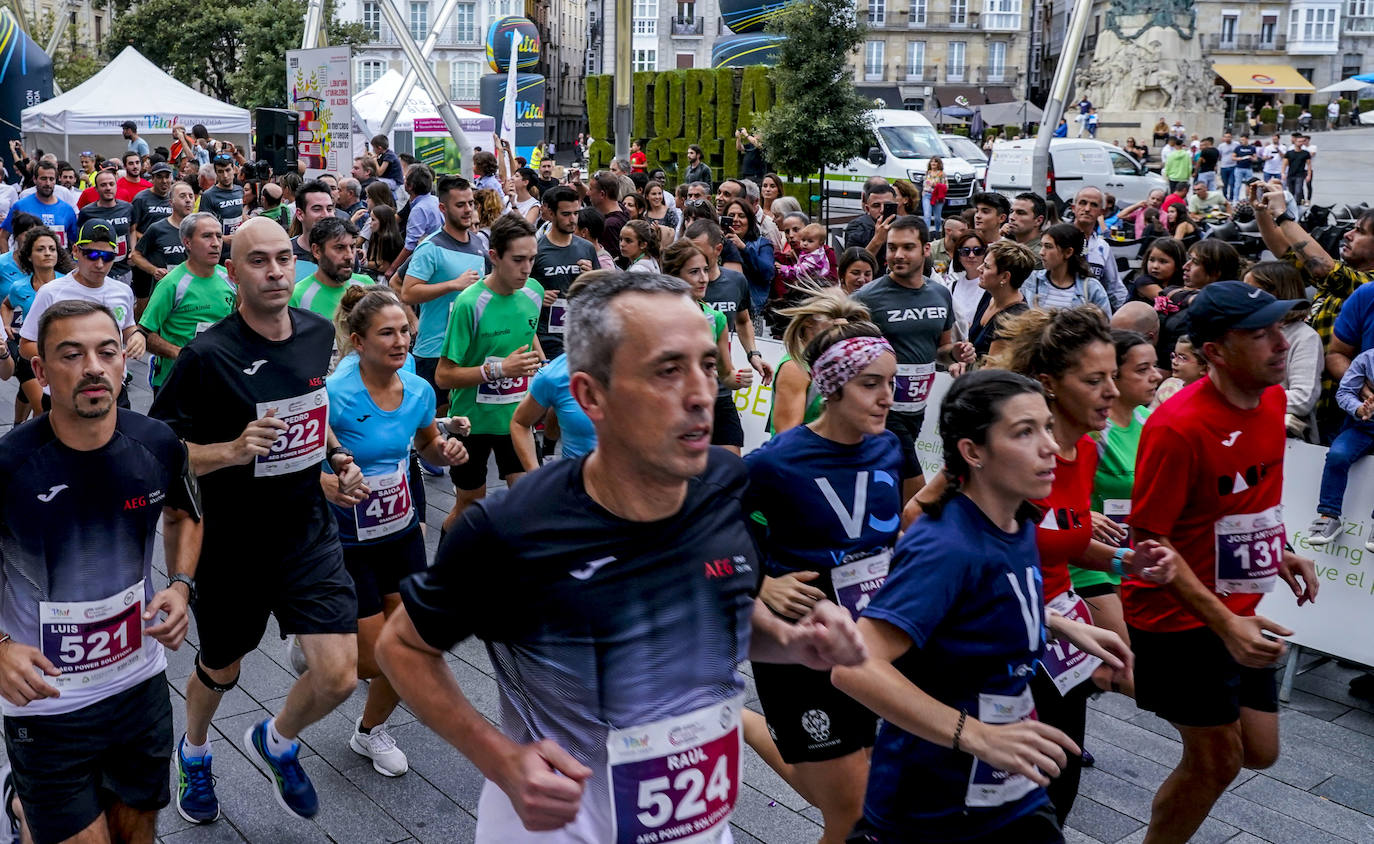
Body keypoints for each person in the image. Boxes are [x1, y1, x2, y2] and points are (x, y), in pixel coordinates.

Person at [375, 269, 866, 844]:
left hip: (699, 826)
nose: (702, 393)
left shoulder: (727, 484)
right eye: (667, 370)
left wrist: (791, 643)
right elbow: (401, 646)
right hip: (560, 826)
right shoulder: (513, 529)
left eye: (707, 365)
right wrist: (501, 759)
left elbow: (713, 614)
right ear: (591, 396)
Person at [832, 369, 1131, 844]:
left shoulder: (1018, 519)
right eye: (1024, 432)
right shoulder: (946, 545)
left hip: (1008, 793)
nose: (1050, 447)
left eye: (1047, 427)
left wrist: (1057, 624)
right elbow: (854, 667)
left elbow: (979, 603)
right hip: (931, 810)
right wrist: (974, 734)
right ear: (973, 452)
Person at [149, 217, 368, 824]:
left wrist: (339, 459)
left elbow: (311, 409)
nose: (275, 271)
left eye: (282, 259)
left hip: (307, 532)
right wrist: (232, 450)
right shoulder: (206, 355)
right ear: (233, 274)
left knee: (339, 675)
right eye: (258, 261)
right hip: (232, 546)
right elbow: (159, 453)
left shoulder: (319, 332)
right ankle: (194, 751)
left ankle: (277, 740)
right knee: (222, 668)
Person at [0, 299, 202, 844]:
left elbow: (185, 516)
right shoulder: (9, 467)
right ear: (40, 371)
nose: (93, 366)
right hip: (46, 702)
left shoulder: (158, 445)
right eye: (72, 354)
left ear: (122, 362)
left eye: (106, 351)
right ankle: (24, 806)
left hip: (139, 683)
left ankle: (24, 804)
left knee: (134, 834)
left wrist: (181, 586)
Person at [1125, 281, 1319, 844]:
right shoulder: (1177, 427)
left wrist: (1278, 548)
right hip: (1175, 620)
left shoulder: (1274, 400)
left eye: (1279, 328)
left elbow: (1252, 494)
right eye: (1258, 334)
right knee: (1217, 761)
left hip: (1240, 611)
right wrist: (1224, 623)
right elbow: (1150, 544)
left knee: (1260, 752)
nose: (1280, 343)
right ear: (1214, 350)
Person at [992, 306, 1178, 822]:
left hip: (1060, 640)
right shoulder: (1010, 450)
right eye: (1095, 380)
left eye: (1112, 379)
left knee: (1058, 795)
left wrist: (1125, 559)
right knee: (1014, 809)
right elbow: (923, 523)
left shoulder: (1087, 453)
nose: (1113, 393)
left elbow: (1064, 541)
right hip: (999, 644)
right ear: (1049, 385)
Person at [744, 323, 901, 844]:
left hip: (867, 642)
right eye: (871, 384)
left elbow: (908, 523)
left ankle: (741, 723)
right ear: (831, 387)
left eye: (891, 384)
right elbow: (706, 530)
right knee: (853, 814)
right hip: (797, 647)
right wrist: (762, 583)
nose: (887, 398)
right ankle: (749, 722)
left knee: (859, 796)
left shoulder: (890, 448)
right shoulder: (778, 461)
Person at [322, 287, 468, 777]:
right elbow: (304, 457)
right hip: (347, 540)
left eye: (405, 330)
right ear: (359, 342)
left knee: (407, 648)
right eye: (387, 332)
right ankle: (317, 647)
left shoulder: (420, 390)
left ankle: (369, 731)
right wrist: (330, 476)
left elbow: (425, 444)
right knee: (369, 661)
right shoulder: (337, 394)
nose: (401, 340)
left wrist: (442, 451)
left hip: (400, 530)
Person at [434, 214, 545, 533]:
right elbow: (444, 376)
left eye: (532, 259)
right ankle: (447, 571)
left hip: (517, 421)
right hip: (472, 424)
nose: (527, 268)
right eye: (518, 260)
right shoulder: (471, 304)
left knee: (527, 503)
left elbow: (526, 330)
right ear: (494, 256)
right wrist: (499, 369)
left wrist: (537, 355)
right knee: (470, 508)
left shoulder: (534, 292)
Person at [854, 216, 972, 501]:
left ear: (926, 250)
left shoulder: (940, 294)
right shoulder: (867, 298)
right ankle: (919, 541)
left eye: (908, 247)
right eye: (892, 247)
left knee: (888, 483)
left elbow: (941, 350)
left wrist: (956, 353)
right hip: (882, 409)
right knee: (915, 491)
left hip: (916, 409)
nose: (897, 255)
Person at [1254, 181, 1374, 441]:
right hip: (1314, 404)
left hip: (1346, 410)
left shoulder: (1368, 286)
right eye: (1351, 228)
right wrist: (1262, 210)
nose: (1347, 235)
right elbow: (1286, 252)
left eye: (1360, 232)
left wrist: (1283, 215)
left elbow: (1322, 268)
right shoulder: (1339, 280)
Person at [1075, 329, 1162, 655]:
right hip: (1085, 562)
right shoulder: (1092, 428)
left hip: (1133, 560)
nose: (1155, 376)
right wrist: (1084, 513)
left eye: (1155, 366)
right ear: (1114, 376)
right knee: (1127, 660)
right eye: (1142, 369)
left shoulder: (1149, 420)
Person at [18, 221, 146, 413]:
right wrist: (68, 356)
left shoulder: (123, 291)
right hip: (65, 392)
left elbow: (127, 327)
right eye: (92, 255)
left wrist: (137, 336)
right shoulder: (52, 293)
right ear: (76, 251)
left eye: (108, 257)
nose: (100, 264)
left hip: (111, 389)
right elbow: (26, 345)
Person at [401, 175, 486, 413]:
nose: (468, 209)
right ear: (443, 208)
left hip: (468, 349)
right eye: (460, 205)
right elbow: (407, 292)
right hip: (434, 350)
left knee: (464, 420)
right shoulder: (431, 246)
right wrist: (453, 285)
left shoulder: (479, 243)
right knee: (437, 421)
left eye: (470, 203)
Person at [663, 239, 753, 455]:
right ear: (674, 277)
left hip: (717, 402)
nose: (703, 278)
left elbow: (725, 374)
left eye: (705, 270)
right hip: (674, 407)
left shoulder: (717, 318)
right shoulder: (657, 317)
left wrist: (738, 379)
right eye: (694, 272)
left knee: (732, 471)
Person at [137, 212, 235, 392]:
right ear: (187, 242)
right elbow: (145, 333)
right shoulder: (172, 283)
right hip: (176, 380)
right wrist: (183, 354)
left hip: (218, 376)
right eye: (207, 236)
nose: (215, 243)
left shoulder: (229, 279)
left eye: (219, 236)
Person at [769, 287, 871, 434]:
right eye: (832, 313)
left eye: (845, 313)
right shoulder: (795, 368)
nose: (841, 321)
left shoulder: (834, 360)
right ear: (809, 321)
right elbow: (786, 435)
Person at [1244, 261, 1320, 440]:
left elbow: (1303, 399)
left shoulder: (1305, 337)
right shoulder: (1243, 331)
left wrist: (1246, 399)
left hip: (1287, 439)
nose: (1245, 298)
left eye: (1252, 291)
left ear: (1277, 293)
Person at [5, 226, 74, 423]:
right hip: (30, 355)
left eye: (52, 249)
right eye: (41, 249)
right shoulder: (18, 287)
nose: (47, 253)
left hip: (61, 355)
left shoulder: (69, 283)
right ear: (29, 256)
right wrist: (6, 324)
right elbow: (6, 305)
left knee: (28, 395)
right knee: (43, 410)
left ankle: (17, 426)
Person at [289, 217, 373, 323]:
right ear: (317, 251)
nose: (349, 256)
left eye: (352, 247)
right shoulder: (298, 296)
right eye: (339, 248)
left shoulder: (367, 285)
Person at [966, 240, 1035, 362]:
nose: (979, 268)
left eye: (986, 266)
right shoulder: (989, 295)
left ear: (1005, 277)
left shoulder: (1014, 319)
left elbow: (992, 369)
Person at [1024, 224, 1111, 312]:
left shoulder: (1091, 288)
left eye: (1048, 247)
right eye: (1041, 245)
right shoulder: (1032, 280)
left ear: (1068, 252)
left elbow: (1104, 323)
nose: (1041, 252)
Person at [131, 181, 195, 290]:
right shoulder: (157, 229)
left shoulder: (199, 228)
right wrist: (154, 270)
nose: (188, 200)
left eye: (191, 196)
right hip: (165, 291)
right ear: (171, 202)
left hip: (193, 290)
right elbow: (135, 256)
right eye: (182, 196)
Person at [0, 161, 78, 251]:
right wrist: (8, 262)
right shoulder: (20, 206)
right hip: (27, 264)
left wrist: (72, 263)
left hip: (58, 263)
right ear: (34, 179)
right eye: (43, 179)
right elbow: (3, 237)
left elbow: (74, 242)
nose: (48, 183)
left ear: (56, 180)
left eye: (51, 179)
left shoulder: (67, 210)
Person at [76, 169, 135, 284]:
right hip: (96, 269)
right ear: (96, 189)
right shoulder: (86, 212)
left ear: (116, 186)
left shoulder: (128, 208)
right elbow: (79, 240)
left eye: (111, 184)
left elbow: (132, 230)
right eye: (103, 185)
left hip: (123, 270)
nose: (108, 188)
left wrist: (133, 251)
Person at [388, 166, 443, 280]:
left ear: (410, 186)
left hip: (427, 261)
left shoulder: (419, 209)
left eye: (405, 177)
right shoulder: (435, 200)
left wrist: (392, 268)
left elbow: (410, 246)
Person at [724, 197, 775, 314]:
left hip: (752, 309)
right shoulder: (718, 242)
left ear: (750, 220)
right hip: (724, 307)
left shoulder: (762, 244)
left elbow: (768, 273)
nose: (736, 220)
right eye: (731, 216)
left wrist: (744, 248)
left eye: (741, 216)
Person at [941, 231, 987, 342]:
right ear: (959, 256)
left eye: (978, 251)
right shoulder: (952, 286)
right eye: (965, 251)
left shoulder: (991, 286)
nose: (971, 256)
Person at [846, 181, 897, 277]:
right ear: (867, 209)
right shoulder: (857, 227)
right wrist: (878, 239)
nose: (882, 210)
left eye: (887, 205)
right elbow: (853, 267)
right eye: (876, 206)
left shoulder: (906, 227)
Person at [198, 154, 244, 252]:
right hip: (219, 250)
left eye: (227, 170)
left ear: (234, 169)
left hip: (239, 247)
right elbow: (203, 228)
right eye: (220, 172)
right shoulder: (208, 195)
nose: (225, 176)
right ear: (216, 173)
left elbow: (241, 214)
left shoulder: (240, 190)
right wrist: (224, 238)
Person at [1128, 236, 1186, 304]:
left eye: (1163, 261)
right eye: (1152, 260)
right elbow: (1167, 301)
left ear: (1177, 265)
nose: (1155, 266)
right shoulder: (1143, 282)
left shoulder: (1179, 283)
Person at [1002, 192, 1046, 266]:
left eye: (1020, 213)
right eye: (1011, 211)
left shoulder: (1040, 254)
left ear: (1038, 220)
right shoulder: (1010, 244)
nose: (1011, 217)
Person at [363, 204, 404, 282]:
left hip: (387, 279)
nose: (369, 223)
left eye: (373, 219)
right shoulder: (375, 234)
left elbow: (384, 266)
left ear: (383, 221)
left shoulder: (389, 239)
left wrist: (364, 264)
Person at [922, 157, 948, 235]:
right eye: (932, 162)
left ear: (938, 164)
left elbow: (946, 186)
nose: (933, 163)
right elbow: (924, 183)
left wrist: (935, 185)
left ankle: (937, 233)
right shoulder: (928, 173)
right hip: (927, 195)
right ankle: (926, 234)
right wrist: (923, 191)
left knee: (937, 217)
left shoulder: (942, 174)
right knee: (927, 215)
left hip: (937, 197)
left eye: (935, 162)